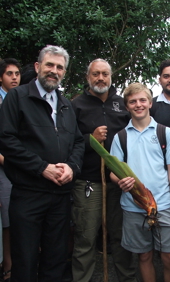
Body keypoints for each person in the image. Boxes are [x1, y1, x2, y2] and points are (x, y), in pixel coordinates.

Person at [0, 45, 85, 282]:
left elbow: (78, 142)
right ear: (38, 67)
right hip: (28, 195)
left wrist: (72, 167)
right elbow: (5, 139)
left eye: (60, 67)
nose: (54, 71)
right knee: (25, 261)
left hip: (60, 196)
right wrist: (41, 168)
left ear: (64, 73)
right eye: (49, 65)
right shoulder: (17, 98)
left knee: (56, 260)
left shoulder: (66, 105)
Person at [110, 83, 170, 282]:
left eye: (142, 100)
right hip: (134, 207)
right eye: (132, 101)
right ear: (126, 106)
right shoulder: (121, 137)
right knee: (144, 256)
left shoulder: (164, 133)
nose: (138, 104)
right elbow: (113, 172)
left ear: (150, 103)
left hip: (164, 205)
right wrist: (121, 181)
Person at [71, 59, 136, 282]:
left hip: (119, 183)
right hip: (89, 182)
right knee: (86, 238)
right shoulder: (76, 105)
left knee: (120, 237)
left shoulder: (122, 103)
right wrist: (91, 139)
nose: (101, 78)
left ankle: (126, 278)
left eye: (105, 74)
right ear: (88, 77)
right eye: (96, 74)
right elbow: (68, 141)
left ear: (111, 77)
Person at [0, 58, 21, 282]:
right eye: (9, 74)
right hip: (5, 167)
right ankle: (8, 264)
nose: (14, 77)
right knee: (7, 219)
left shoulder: (20, 99)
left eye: (17, 73)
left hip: (22, 166)